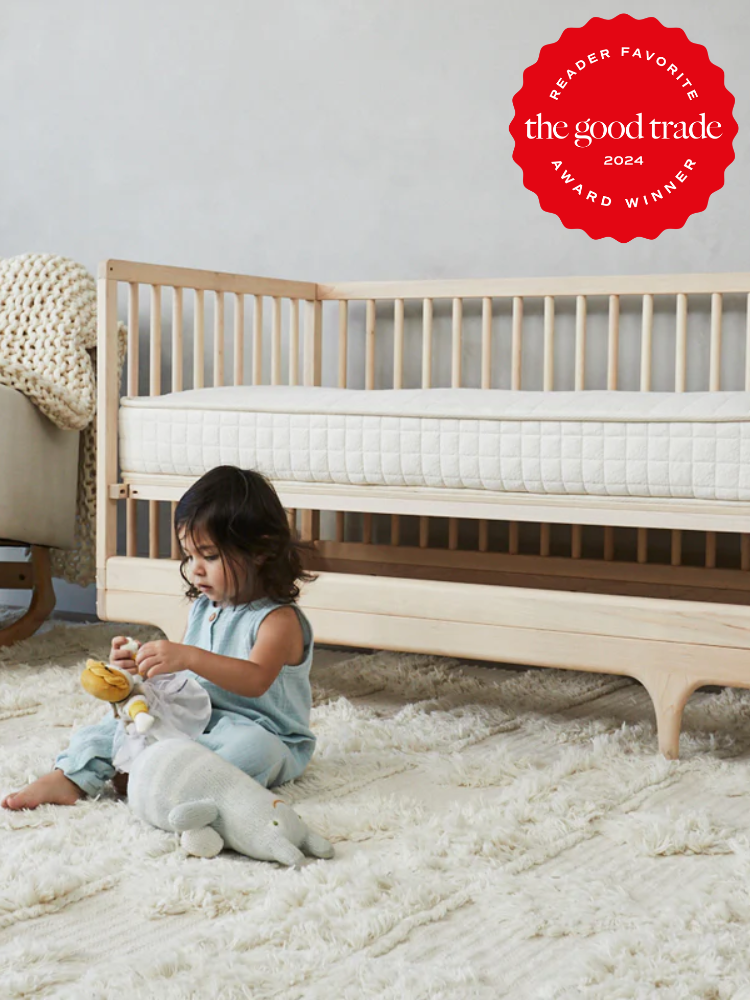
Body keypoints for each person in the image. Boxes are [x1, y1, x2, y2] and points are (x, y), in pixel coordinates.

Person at [2, 465, 317, 811]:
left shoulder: (278, 620)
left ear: (261, 550)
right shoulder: (206, 608)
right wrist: (141, 667)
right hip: (200, 718)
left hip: (263, 731)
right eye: (189, 555)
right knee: (115, 728)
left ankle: (164, 777)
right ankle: (71, 776)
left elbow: (255, 680)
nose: (196, 568)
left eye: (209, 556)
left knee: (254, 751)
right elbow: (186, 681)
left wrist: (189, 656)